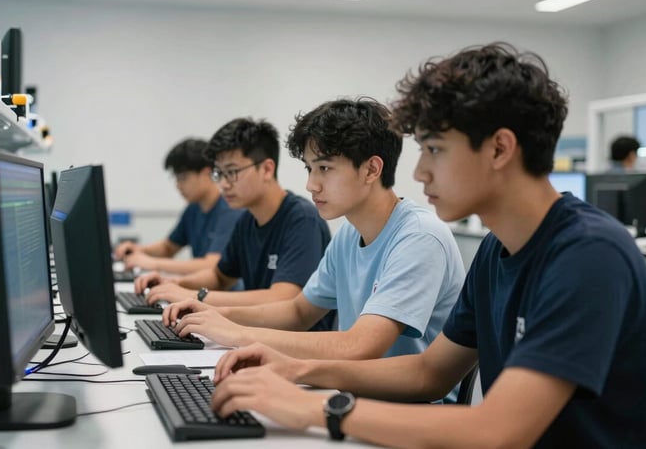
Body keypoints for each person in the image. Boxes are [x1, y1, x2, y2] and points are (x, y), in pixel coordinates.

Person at [209, 43, 646, 448]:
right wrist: (295, 369)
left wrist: (318, 409)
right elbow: (429, 372)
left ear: (500, 149)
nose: (421, 171)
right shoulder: (495, 250)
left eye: (435, 149)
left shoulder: (587, 255)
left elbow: (499, 431)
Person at [163, 99, 464, 369]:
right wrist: (216, 312)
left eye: (324, 168)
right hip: (352, 388)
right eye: (310, 169)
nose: (311, 184)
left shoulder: (419, 237)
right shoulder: (349, 235)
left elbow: (359, 346)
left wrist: (239, 334)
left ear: (372, 170)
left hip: (413, 410)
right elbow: (297, 312)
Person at [135, 118, 333, 326]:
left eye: (232, 172)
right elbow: (220, 277)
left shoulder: (302, 219)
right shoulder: (247, 220)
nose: (223, 184)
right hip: (256, 337)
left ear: (266, 169)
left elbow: (283, 298)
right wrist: (174, 283)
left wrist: (197, 297)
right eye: (219, 173)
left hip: (291, 349)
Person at [114, 138, 242, 274]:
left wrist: (153, 263)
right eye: (176, 178)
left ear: (206, 173)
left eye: (183, 177)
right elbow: (168, 247)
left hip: (227, 293)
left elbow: (212, 265)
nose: (178, 185)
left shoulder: (230, 210)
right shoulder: (193, 209)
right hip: (205, 292)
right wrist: (139, 250)